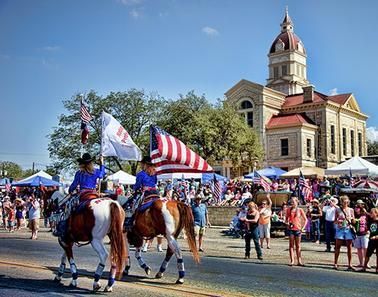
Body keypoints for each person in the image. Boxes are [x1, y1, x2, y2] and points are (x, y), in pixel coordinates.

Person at [54, 153, 105, 237]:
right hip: (93, 193)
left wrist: (70, 191)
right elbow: (102, 173)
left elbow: (74, 185)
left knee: (70, 208)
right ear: (91, 163)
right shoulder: (96, 172)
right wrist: (102, 164)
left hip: (83, 193)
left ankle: (65, 227)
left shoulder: (79, 173)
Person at [124, 156, 159, 230]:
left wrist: (135, 189)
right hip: (155, 193)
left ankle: (129, 222)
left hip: (145, 193)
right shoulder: (154, 173)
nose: (141, 165)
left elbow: (137, 186)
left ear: (145, 164)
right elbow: (155, 182)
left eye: (142, 164)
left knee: (132, 205)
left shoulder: (140, 174)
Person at [334, 195, 355, 270]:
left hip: (348, 229)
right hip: (340, 229)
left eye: (347, 201)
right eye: (344, 201)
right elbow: (334, 221)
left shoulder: (351, 210)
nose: (345, 203)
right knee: (338, 246)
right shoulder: (338, 210)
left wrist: (353, 220)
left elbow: (353, 220)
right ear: (341, 202)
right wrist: (339, 221)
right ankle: (335, 263)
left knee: (349, 247)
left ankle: (350, 264)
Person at [285, 197, 307, 266]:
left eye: (293, 202)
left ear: (297, 202)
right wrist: (287, 223)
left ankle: (299, 261)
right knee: (291, 245)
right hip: (291, 229)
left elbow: (305, 219)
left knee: (298, 245)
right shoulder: (289, 210)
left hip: (298, 229)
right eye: (291, 202)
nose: (292, 203)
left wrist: (303, 228)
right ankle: (292, 261)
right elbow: (286, 219)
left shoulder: (300, 210)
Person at [360, 207, 378, 273]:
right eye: (370, 212)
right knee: (368, 254)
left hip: (376, 239)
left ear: (376, 213)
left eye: (372, 213)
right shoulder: (371, 221)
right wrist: (366, 231)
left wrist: (376, 236)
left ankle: (377, 269)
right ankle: (364, 267)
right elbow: (368, 228)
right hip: (371, 240)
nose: (370, 214)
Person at [353, 199, 369, 268]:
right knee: (359, 249)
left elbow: (370, 219)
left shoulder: (365, 213)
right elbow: (352, 222)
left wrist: (369, 230)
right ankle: (361, 263)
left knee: (365, 248)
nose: (358, 208)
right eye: (357, 206)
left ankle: (366, 263)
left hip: (365, 233)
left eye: (361, 205)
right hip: (357, 233)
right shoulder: (354, 213)